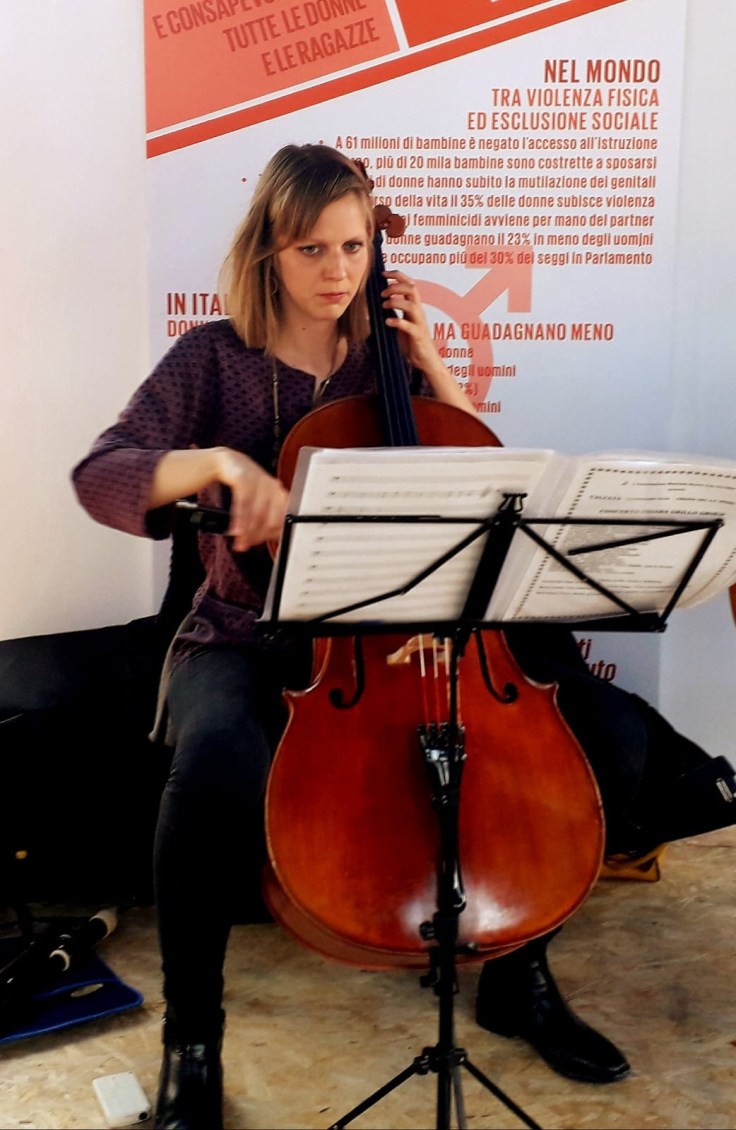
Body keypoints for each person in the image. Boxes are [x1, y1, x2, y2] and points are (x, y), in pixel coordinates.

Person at [72, 143, 736, 1129]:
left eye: (353, 246)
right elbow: (101, 472)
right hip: (250, 634)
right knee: (211, 770)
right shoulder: (212, 357)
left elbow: (490, 490)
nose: (338, 270)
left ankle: (518, 978)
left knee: (609, 741)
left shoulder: (387, 355)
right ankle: (192, 1036)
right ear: (267, 251)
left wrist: (435, 371)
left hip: (420, 635)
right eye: (311, 249)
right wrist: (215, 462)